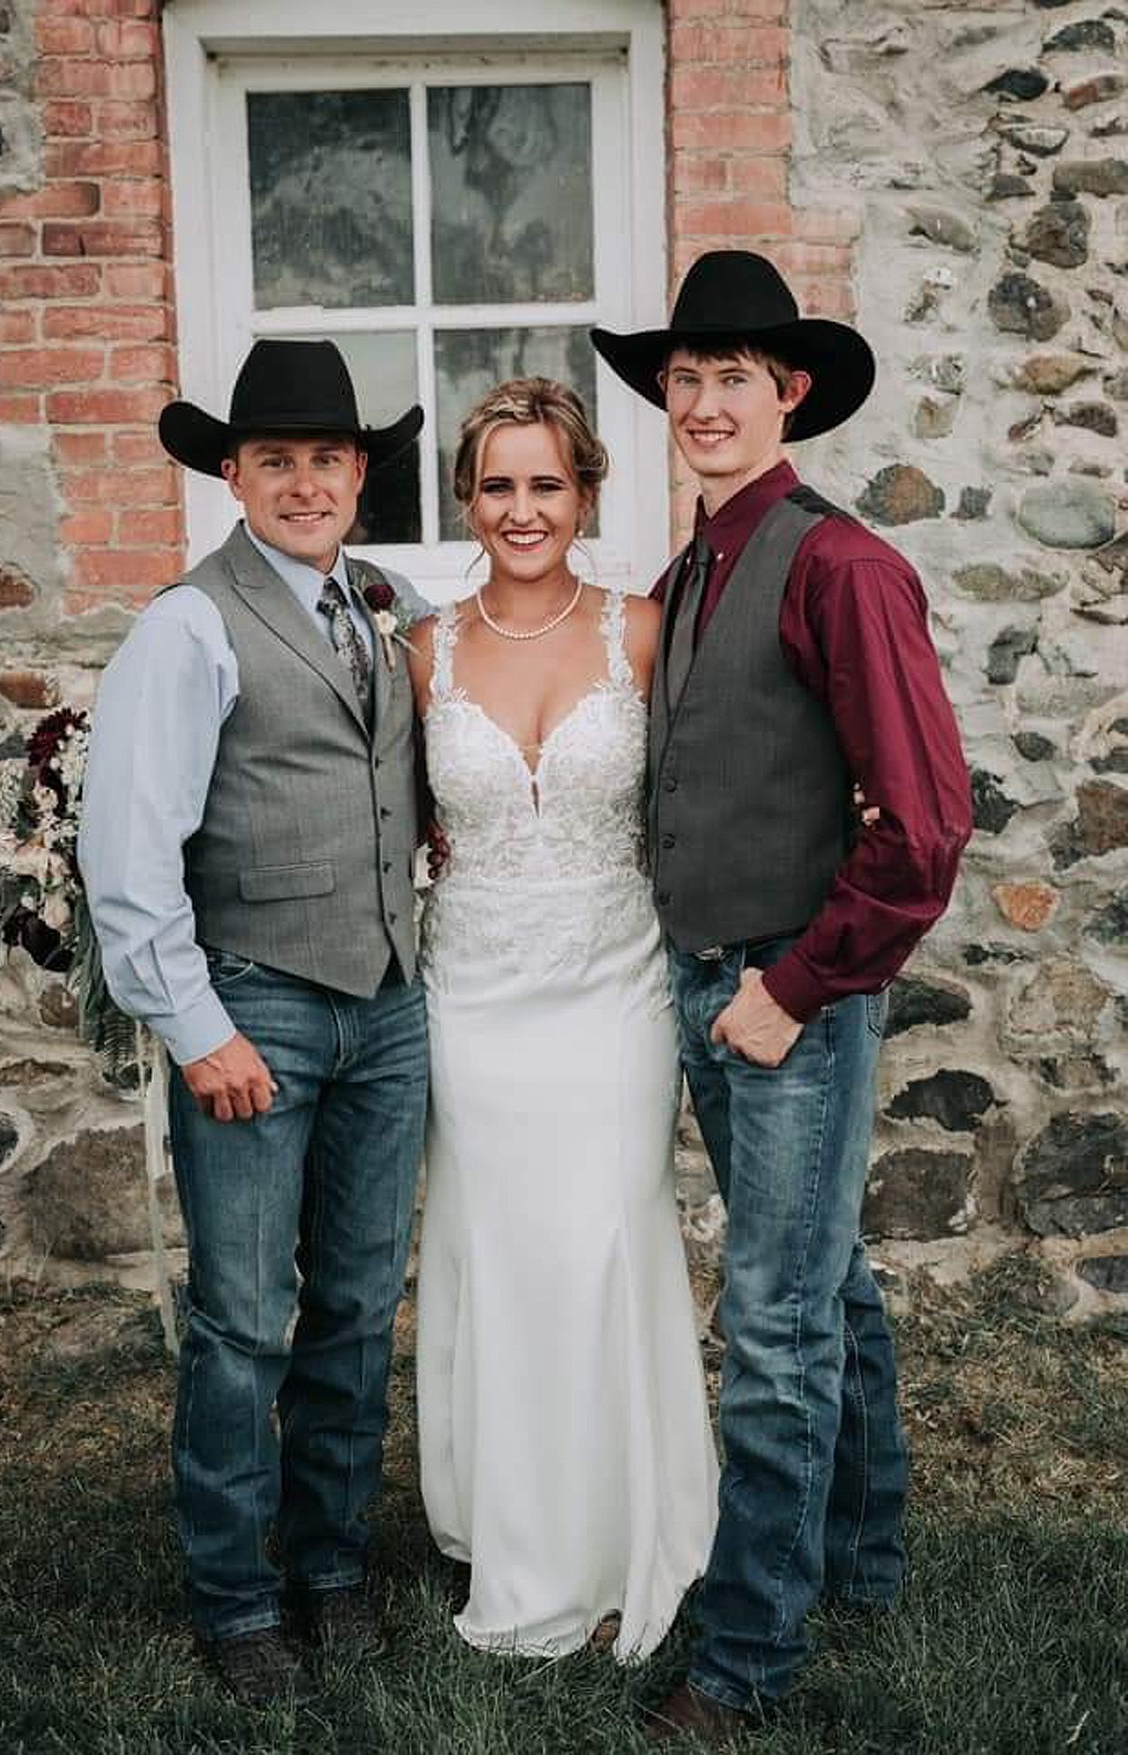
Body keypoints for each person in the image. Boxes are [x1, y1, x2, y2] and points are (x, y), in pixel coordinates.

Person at [591, 251, 973, 1741]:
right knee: (824, 1284)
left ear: (787, 392)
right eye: (682, 379)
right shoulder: (694, 567)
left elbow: (923, 824)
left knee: (772, 1321)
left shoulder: (839, 563)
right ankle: (859, 1561)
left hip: (785, 1001)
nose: (701, 401)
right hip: (702, 985)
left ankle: (745, 1659)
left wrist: (794, 988)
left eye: (730, 377)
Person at [79, 339, 430, 1705]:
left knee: (352, 1306)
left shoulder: (379, 604)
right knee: (244, 1319)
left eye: (326, 458)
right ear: (231, 473)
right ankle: (235, 1596)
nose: (303, 480)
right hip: (255, 1011)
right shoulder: (187, 625)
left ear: (357, 474)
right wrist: (196, 1024)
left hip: (387, 1007)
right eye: (275, 458)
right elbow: (129, 851)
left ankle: (331, 1563)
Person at [409, 378, 719, 1662]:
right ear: (467, 502)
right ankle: (521, 1537)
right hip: (474, 998)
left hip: (611, 993)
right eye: (497, 486)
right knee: (503, 1257)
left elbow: (713, 787)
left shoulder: (642, 634)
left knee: (603, 1244)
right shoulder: (417, 651)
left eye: (547, 484)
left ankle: (622, 1536)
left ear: (586, 494)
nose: (522, 509)